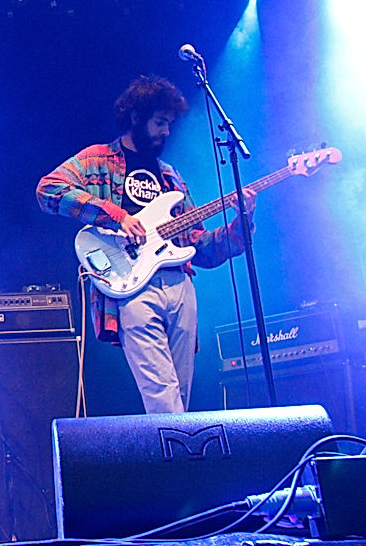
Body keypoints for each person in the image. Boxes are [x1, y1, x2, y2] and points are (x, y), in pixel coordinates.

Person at [36, 76, 253, 414]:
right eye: (159, 122)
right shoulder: (98, 160)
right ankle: (179, 462)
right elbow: (48, 190)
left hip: (180, 284)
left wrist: (241, 222)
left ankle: (177, 458)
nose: (166, 131)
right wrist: (116, 215)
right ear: (136, 117)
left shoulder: (172, 177)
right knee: (162, 396)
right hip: (133, 285)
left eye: (169, 124)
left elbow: (202, 246)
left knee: (180, 393)